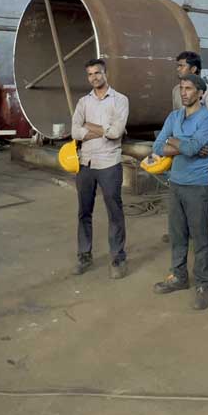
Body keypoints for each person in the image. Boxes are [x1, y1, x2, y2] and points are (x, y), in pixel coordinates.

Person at [152, 74, 208, 309]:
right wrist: (184, 144)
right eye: (182, 88)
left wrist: (175, 141)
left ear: (200, 93)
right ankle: (179, 277)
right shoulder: (174, 116)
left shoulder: (207, 119)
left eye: (189, 88)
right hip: (176, 184)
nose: (184, 92)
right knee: (178, 235)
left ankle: (203, 284)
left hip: (197, 186)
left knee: (200, 238)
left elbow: (191, 149)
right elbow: (157, 146)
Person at [70, 58, 131, 278]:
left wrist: (90, 127)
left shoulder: (120, 100)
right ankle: (84, 256)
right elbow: (75, 131)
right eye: (90, 74)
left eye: (97, 73)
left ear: (106, 73)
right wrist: (104, 130)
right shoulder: (83, 102)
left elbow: (116, 132)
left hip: (109, 164)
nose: (94, 77)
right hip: (86, 163)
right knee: (84, 212)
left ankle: (118, 259)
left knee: (114, 211)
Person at [171, 51, 208, 127]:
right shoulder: (176, 90)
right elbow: (175, 118)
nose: (178, 69)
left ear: (193, 69)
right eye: (178, 66)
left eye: (181, 66)